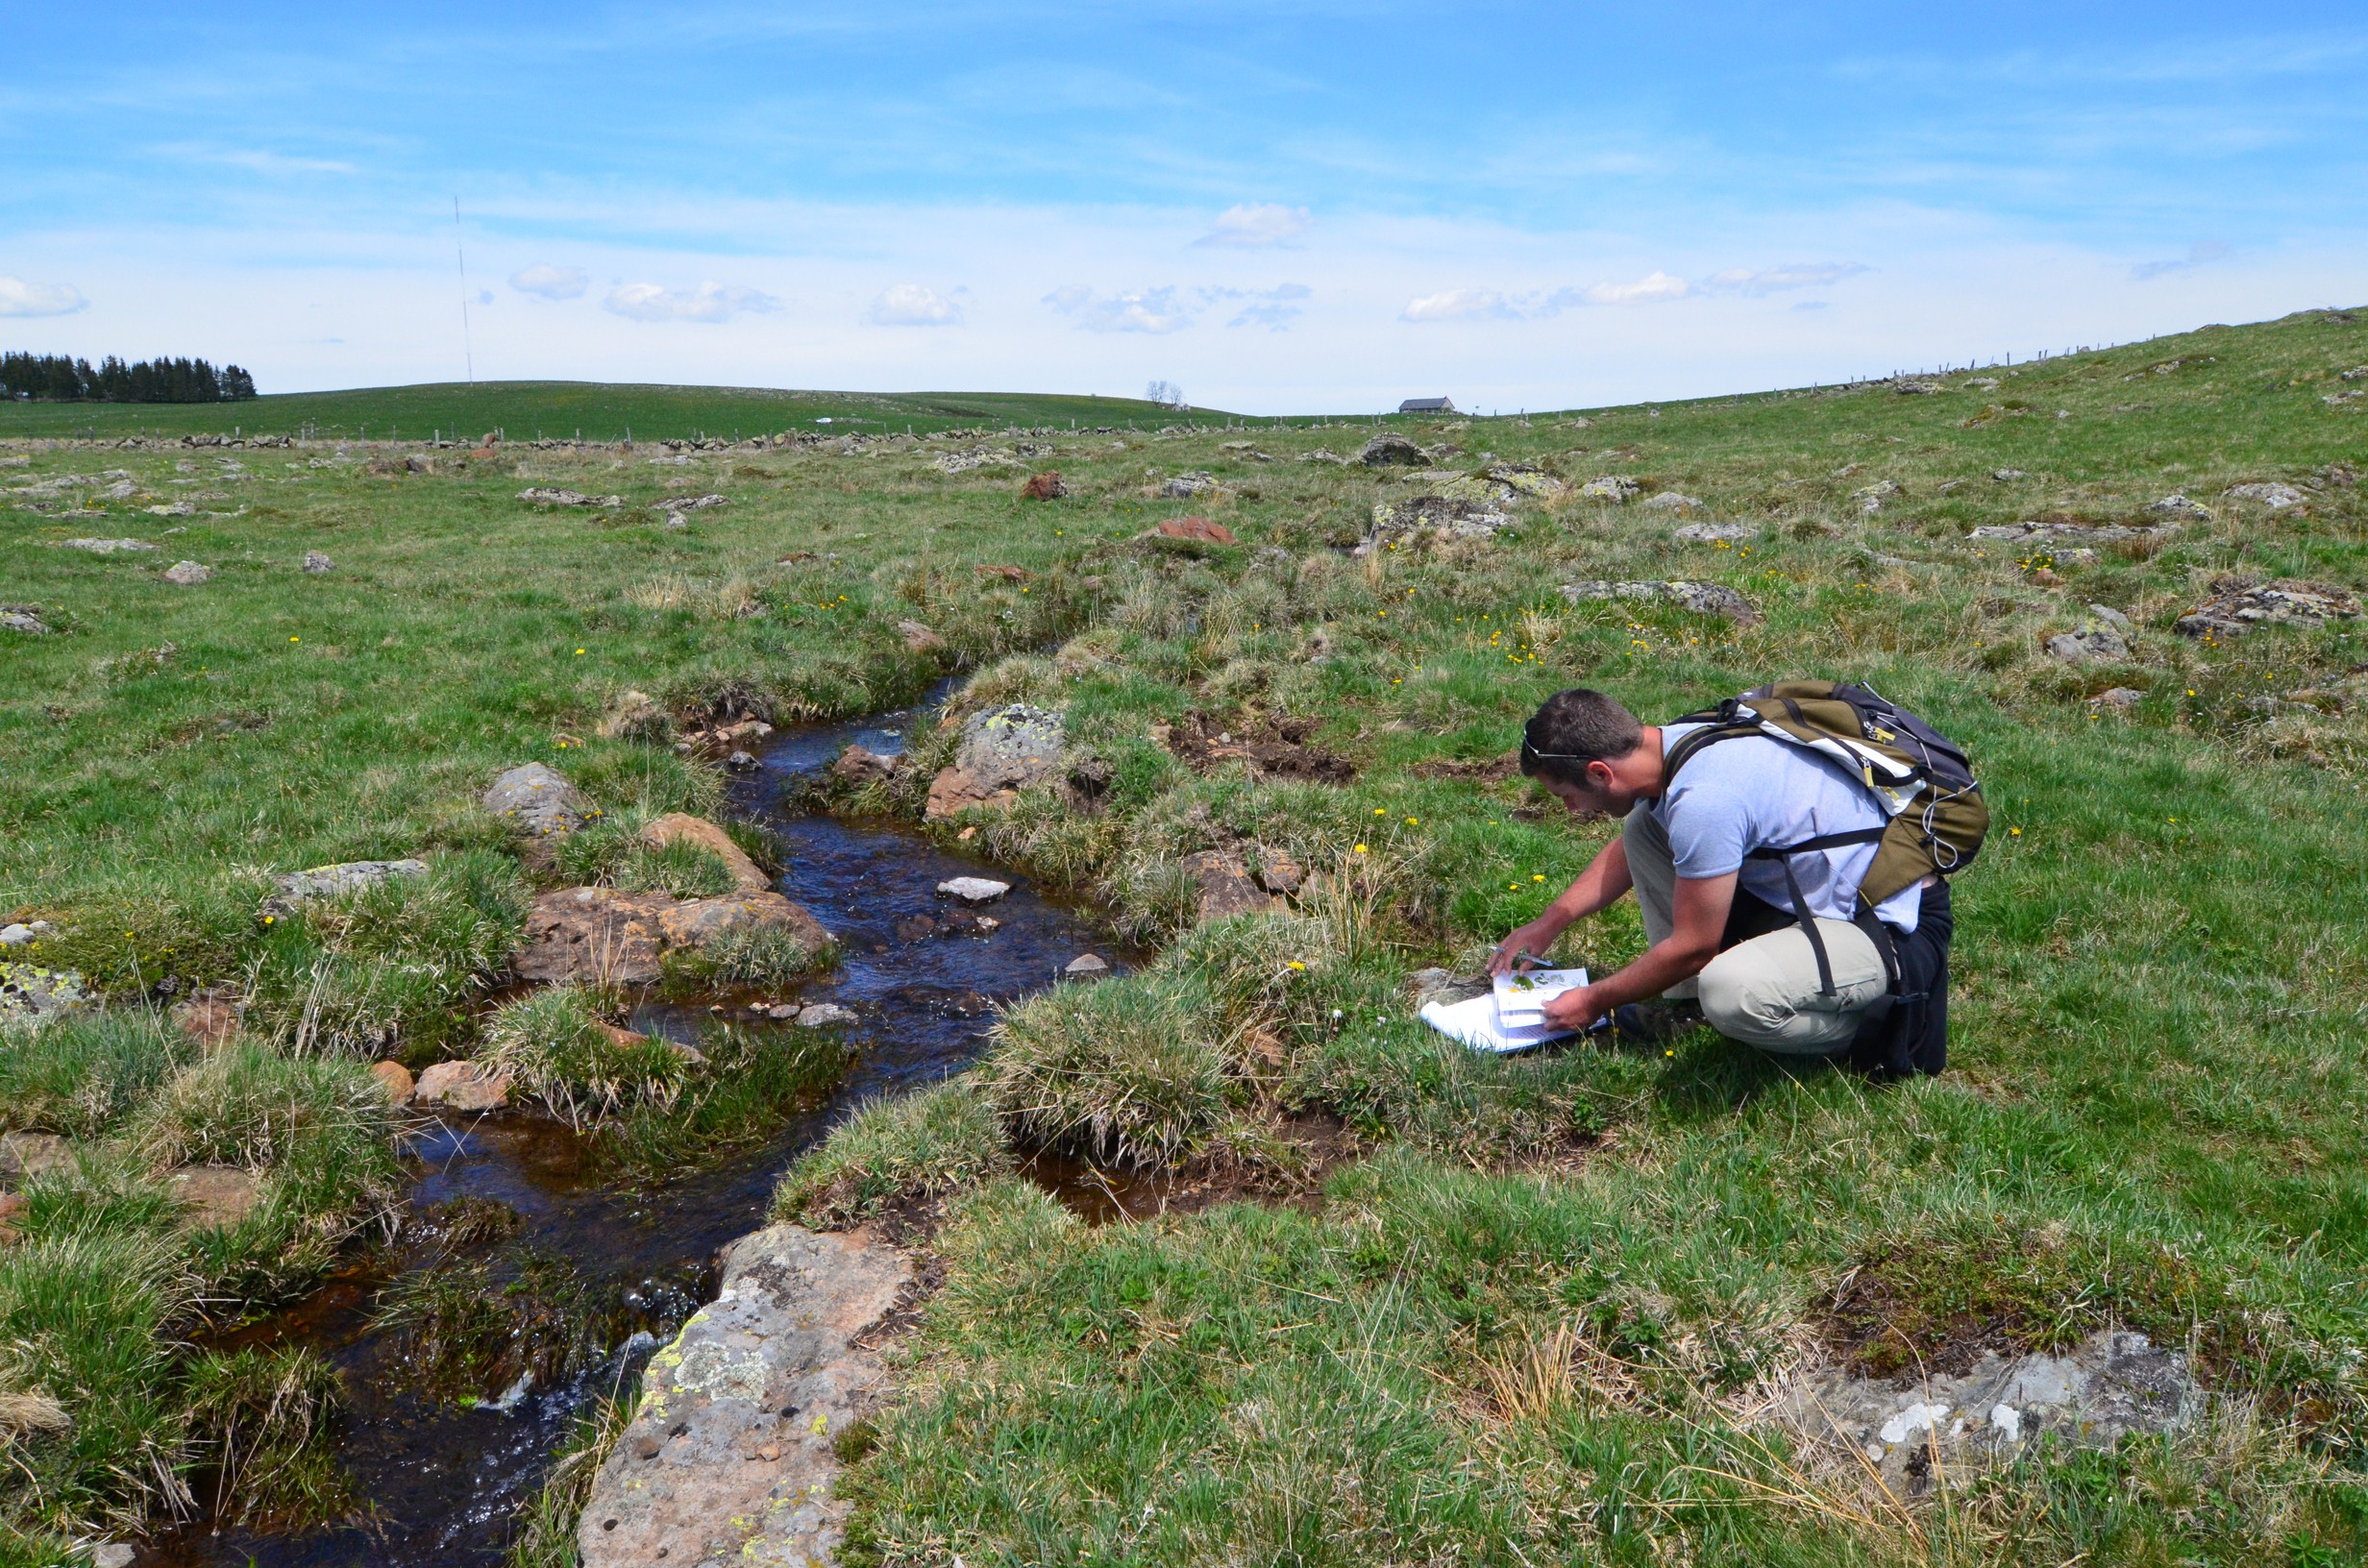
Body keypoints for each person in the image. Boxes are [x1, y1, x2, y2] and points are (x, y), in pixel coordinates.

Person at [1488, 686, 1953, 1061]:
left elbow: (1694, 948)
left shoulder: (1706, 798)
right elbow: (1634, 852)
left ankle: (1885, 1027)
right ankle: (1688, 1008)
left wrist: (1594, 1001)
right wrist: (1551, 920)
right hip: (1810, 898)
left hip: (1888, 931)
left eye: (1565, 796)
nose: (1570, 810)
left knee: (1731, 992)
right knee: (1644, 828)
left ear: (1599, 772)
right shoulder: (1675, 742)